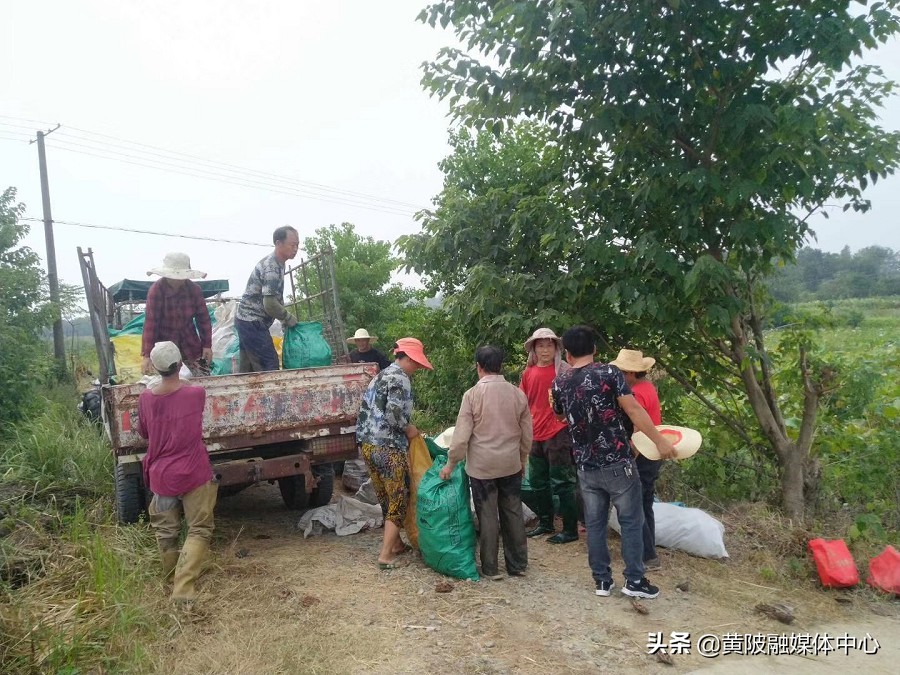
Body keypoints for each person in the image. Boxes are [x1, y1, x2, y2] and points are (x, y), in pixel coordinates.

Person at [550, 326, 676, 600]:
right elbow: (633, 409)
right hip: (617, 461)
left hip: (585, 465)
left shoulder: (560, 382)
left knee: (595, 524)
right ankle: (634, 580)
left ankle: (602, 581)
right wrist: (660, 441)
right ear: (594, 349)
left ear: (567, 354)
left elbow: (560, 417)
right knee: (631, 521)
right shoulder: (609, 373)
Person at [137, 341, 218, 606]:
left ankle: (170, 577)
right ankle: (183, 590)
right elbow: (188, 391)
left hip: (162, 475)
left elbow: (144, 433)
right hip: (194, 472)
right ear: (180, 364)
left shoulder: (146, 398)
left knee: (166, 533)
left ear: (155, 367)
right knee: (199, 530)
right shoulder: (196, 394)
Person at [441, 346, 532, 579]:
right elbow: (526, 435)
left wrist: (450, 465)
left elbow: (461, 437)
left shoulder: (472, 395)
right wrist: (522, 459)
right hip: (510, 463)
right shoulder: (517, 394)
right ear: (500, 366)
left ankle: (491, 568)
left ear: (478, 367)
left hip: (482, 467)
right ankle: (518, 565)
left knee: (488, 515)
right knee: (513, 512)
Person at [356, 337, 433, 569]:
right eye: (416, 363)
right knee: (399, 496)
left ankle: (397, 543)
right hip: (388, 447)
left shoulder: (381, 375)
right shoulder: (401, 379)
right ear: (407, 358)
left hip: (368, 445)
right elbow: (394, 415)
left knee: (385, 495)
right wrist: (409, 429)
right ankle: (385, 555)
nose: (417, 368)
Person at [520, 328, 578, 544]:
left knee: (563, 481)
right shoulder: (528, 373)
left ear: (556, 348)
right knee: (538, 481)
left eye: (549, 345)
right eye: (540, 345)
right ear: (534, 349)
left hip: (558, 433)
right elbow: (523, 403)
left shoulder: (564, 372)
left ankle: (570, 529)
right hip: (535, 434)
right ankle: (545, 523)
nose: (545, 350)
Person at [610, 349, 664, 571]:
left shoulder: (636, 394)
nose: (619, 376)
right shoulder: (647, 387)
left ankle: (647, 555)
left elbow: (638, 425)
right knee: (645, 503)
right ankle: (648, 551)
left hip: (643, 451)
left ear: (632, 373)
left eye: (622, 372)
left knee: (636, 505)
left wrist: (631, 451)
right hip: (652, 451)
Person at [234, 226, 300, 372]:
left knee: (249, 369)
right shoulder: (271, 267)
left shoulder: (279, 264)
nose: (295, 248)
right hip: (252, 322)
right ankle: (268, 396)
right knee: (269, 367)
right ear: (278, 243)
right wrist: (287, 317)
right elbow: (269, 304)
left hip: (245, 321)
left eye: (297, 245)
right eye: (292, 244)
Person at [141, 253, 212, 377]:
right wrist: (147, 355)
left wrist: (207, 345)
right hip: (164, 343)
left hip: (190, 340)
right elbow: (151, 324)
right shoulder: (156, 290)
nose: (177, 280)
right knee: (164, 381)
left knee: (203, 377)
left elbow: (203, 319)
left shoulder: (194, 290)